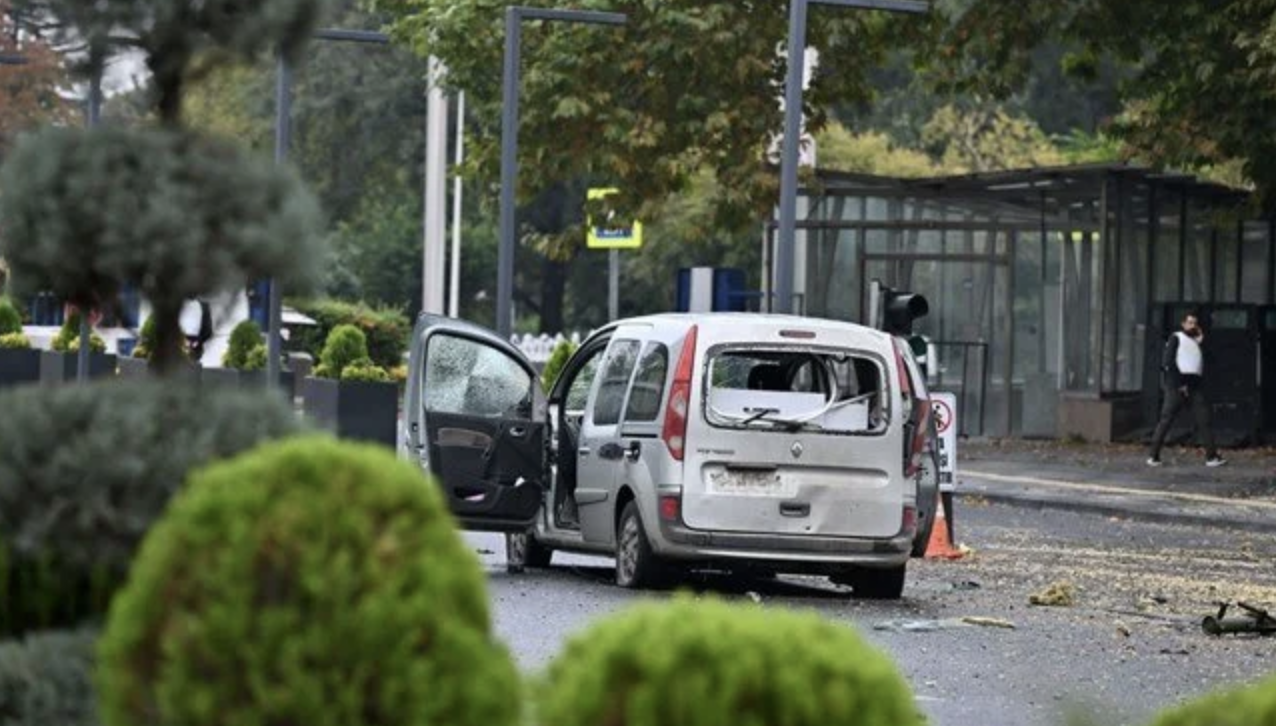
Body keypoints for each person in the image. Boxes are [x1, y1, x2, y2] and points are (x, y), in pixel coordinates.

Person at [1147, 312, 1226, 468]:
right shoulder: (1176, 337)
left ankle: (1211, 457)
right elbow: (1168, 363)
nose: (1192, 326)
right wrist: (1179, 384)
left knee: (1204, 419)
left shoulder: (1196, 342)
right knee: (1166, 420)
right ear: (1183, 324)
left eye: (1195, 323)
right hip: (1177, 385)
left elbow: (1206, 361)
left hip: (1194, 385)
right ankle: (1153, 456)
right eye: (1190, 323)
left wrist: (1201, 342)